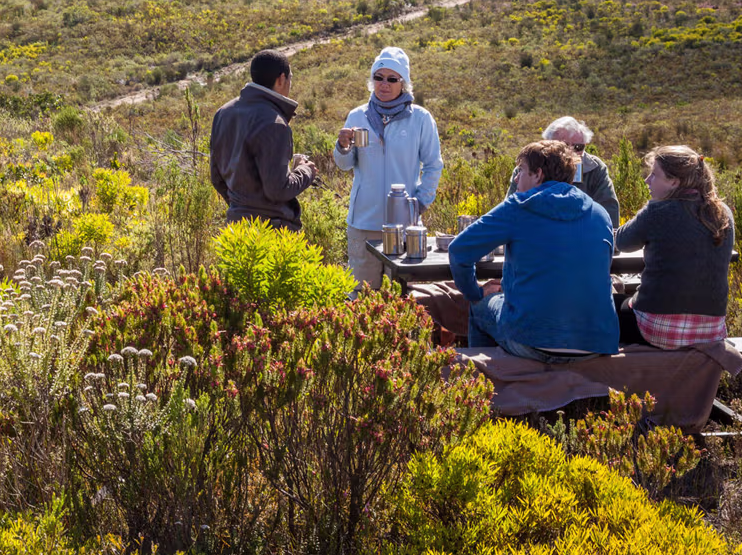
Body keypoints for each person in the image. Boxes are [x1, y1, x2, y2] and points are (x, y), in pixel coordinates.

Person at [449, 140, 618, 361]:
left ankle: (490, 383)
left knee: (480, 306)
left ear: (538, 174)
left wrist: (475, 292)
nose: (516, 179)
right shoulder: (599, 213)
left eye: (521, 171)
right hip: (597, 343)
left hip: (532, 339)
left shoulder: (519, 205)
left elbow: (459, 251)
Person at [333, 47, 443, 291]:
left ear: (403, 83)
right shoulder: (357, 116)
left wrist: (419, 203)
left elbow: (434, 164)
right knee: (362, 296)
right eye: (378, 77)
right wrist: (342, 146)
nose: (384, 84)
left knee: (400, 296)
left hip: (404, 225)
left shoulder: (421, 119)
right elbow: (344, 165)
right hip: (363, 222)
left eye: (392, 78)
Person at [615, 146, 734, 349]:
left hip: (658, 331)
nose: (647, 180)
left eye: (654, 175)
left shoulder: (657, 211)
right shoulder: (722, 213)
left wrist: (651, 205)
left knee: (608, 305)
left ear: (674, 182)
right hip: (711, 331)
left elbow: (623, 242)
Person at [210, 49, 317, 231]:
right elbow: (278, 189)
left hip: (235, 229)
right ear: (281, 79)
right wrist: (305, 171)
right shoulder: (274, 123)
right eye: (290, 77)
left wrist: (241, 208)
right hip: (271, 233)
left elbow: (216, 177)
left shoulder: (223, 113)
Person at [507, 116, 620, 228]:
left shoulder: (594, 168)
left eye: (578, 147)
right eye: (564, 146)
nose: (571, 152)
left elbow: (610, 214)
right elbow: (509, 212)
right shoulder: (527, 168)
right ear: (547, 145)